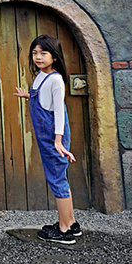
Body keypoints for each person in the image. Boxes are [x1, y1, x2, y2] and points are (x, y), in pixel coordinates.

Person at [14, 34, 80, 244]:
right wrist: (28, 96)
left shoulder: (56, 79)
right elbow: (44, 100)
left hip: (53, 136)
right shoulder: (42, 75)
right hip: (47, 136)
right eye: (35, 53)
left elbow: (59, 112)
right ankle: (71, 222)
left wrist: (58, 141)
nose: (38, 57)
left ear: (54, 56)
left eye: (43, 53)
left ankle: (63, 231)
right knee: (59, 177)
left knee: (57, 179)